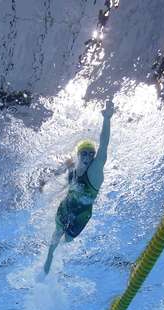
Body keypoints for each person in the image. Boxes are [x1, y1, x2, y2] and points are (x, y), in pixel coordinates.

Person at [43, 100, 116, 274]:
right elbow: (62, 170)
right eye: (85, 153)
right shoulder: (73, 168)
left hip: (82, 215)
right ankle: (49, 257)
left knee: (67, 239)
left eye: (92, 153)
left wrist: (107, 118)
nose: (89, 156)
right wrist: (45, 182)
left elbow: (104, 145)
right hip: (66, 207)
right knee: (56, 232)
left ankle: (59, 250)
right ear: (79, 154)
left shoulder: (95, 172)